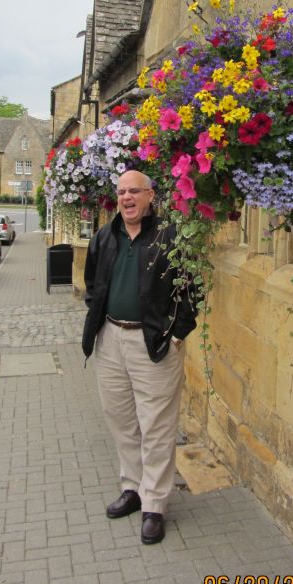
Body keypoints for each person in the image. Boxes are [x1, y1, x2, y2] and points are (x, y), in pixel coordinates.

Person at [82, 169, 197, 544]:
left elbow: (192, 290)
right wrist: (98, 323)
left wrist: (177, 334)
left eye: (134, 191)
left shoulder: (171, 236)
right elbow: (92, 285)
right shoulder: (105, 236)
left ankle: (155, 504)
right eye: (121, 192)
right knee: (121, 419)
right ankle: (132, 488)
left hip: (153, 342)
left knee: (157, 426)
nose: (127, 198)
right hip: (111, 338)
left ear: (151, 196)